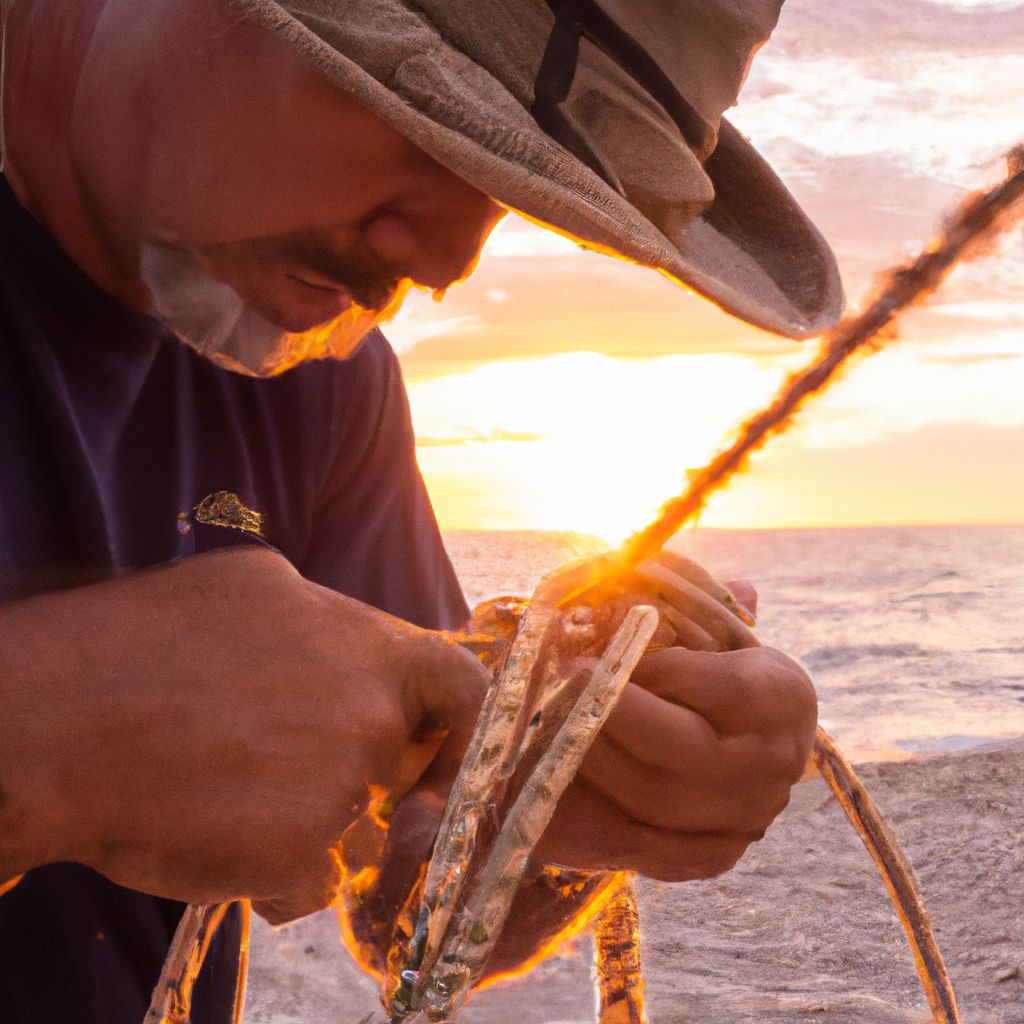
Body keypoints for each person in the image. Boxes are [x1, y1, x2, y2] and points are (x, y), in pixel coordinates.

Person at [0, 1, 839, 1021]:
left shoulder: (321, 377)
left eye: (505, 186)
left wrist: (561, 798)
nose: (443, 264)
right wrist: (49, 732)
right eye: (404, 108)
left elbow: (400, 905)